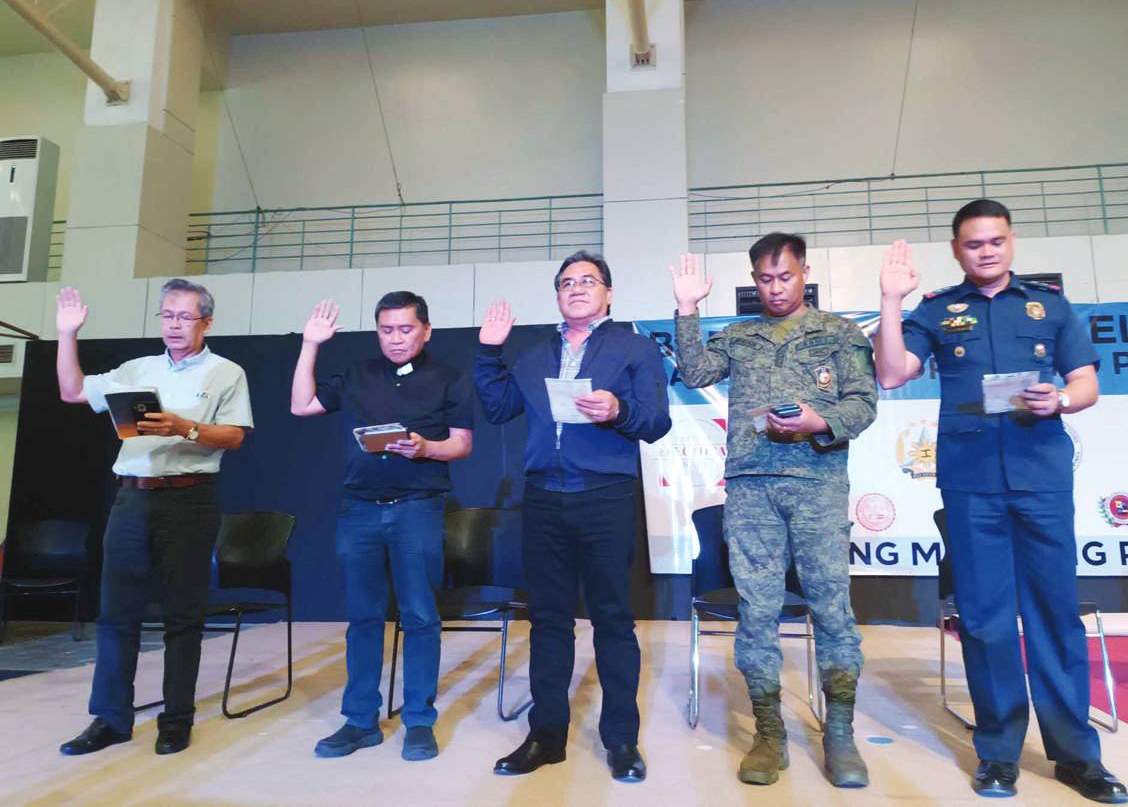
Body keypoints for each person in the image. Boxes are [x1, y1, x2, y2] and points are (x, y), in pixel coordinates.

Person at [873, 199, 1128, 803]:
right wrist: (890, 301)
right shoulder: (937, 310)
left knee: (1055, 616)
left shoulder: (1051, 306)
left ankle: (1076, 757)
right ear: (956, 250)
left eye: (995, 242)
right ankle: (999, 754)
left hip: (1040, 477)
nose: (985, 252)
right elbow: (890, 372)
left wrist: (1062, 400)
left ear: (1010, 242)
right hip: (971, 482)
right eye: (972, 244)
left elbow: (1087, 380)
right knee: (985, 620)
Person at [669, 234, 878, 788]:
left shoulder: (839, 332)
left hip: (818, 482)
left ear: (804, 272)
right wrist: (687, 309)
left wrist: (817, 422)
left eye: (785, 277)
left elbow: (864, 403)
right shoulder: (740, 336)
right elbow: (693, 374)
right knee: (756, 613)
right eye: (764, 279)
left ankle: (840, 734)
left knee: (832, 608)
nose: (775, 288)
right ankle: (769, 733)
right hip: (752, 487)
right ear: (753, 278)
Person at [475, 250, 671, 782]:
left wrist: (619, 411)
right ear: (557, 296)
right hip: (542, 497)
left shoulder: (635, 348)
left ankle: (622, 741)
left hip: (606, 495)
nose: (576, 288)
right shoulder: (536, 354)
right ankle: (546, 736)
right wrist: (489, 354)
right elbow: (497, 409)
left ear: (609, 293)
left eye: (588, 281)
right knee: (548, 621)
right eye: (566, 283)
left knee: (612, 619)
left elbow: (656, 422)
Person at [56, 279, 253, 757]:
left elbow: (236, 436)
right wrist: (67, 334)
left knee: (182, 615)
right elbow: (72, 391)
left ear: (206, 321)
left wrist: (184, 427)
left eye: (184, 317)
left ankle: (176, 720)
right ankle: (110, 719)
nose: (174, 325)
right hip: (131, 499)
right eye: (167, 316)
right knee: (116, 613)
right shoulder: (136, 369)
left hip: (188, 499)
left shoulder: (227, 373)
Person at [291, 292, 473, 760]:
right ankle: (359, 721)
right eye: (386, 330)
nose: (396, 339)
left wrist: (425, 448)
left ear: (426, 330)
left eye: (405, 330)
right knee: (363, 618)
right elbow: (301, 406)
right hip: (360, 510)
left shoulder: (448, 377)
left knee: (419, 615)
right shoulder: (357, 374)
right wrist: (310, 345)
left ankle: (418, 720)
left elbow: (460, 444)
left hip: (418, 507)